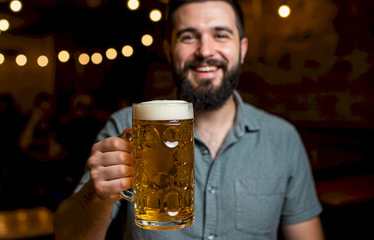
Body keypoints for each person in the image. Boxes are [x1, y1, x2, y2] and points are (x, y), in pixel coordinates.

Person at [54, 0, 324, 239]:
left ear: (241, 49)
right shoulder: (126, 125)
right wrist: (98, 196)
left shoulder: (282, 138)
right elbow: (66, 236)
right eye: (188, 37)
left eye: (220, 34)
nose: (205, 51)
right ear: (169, 50)